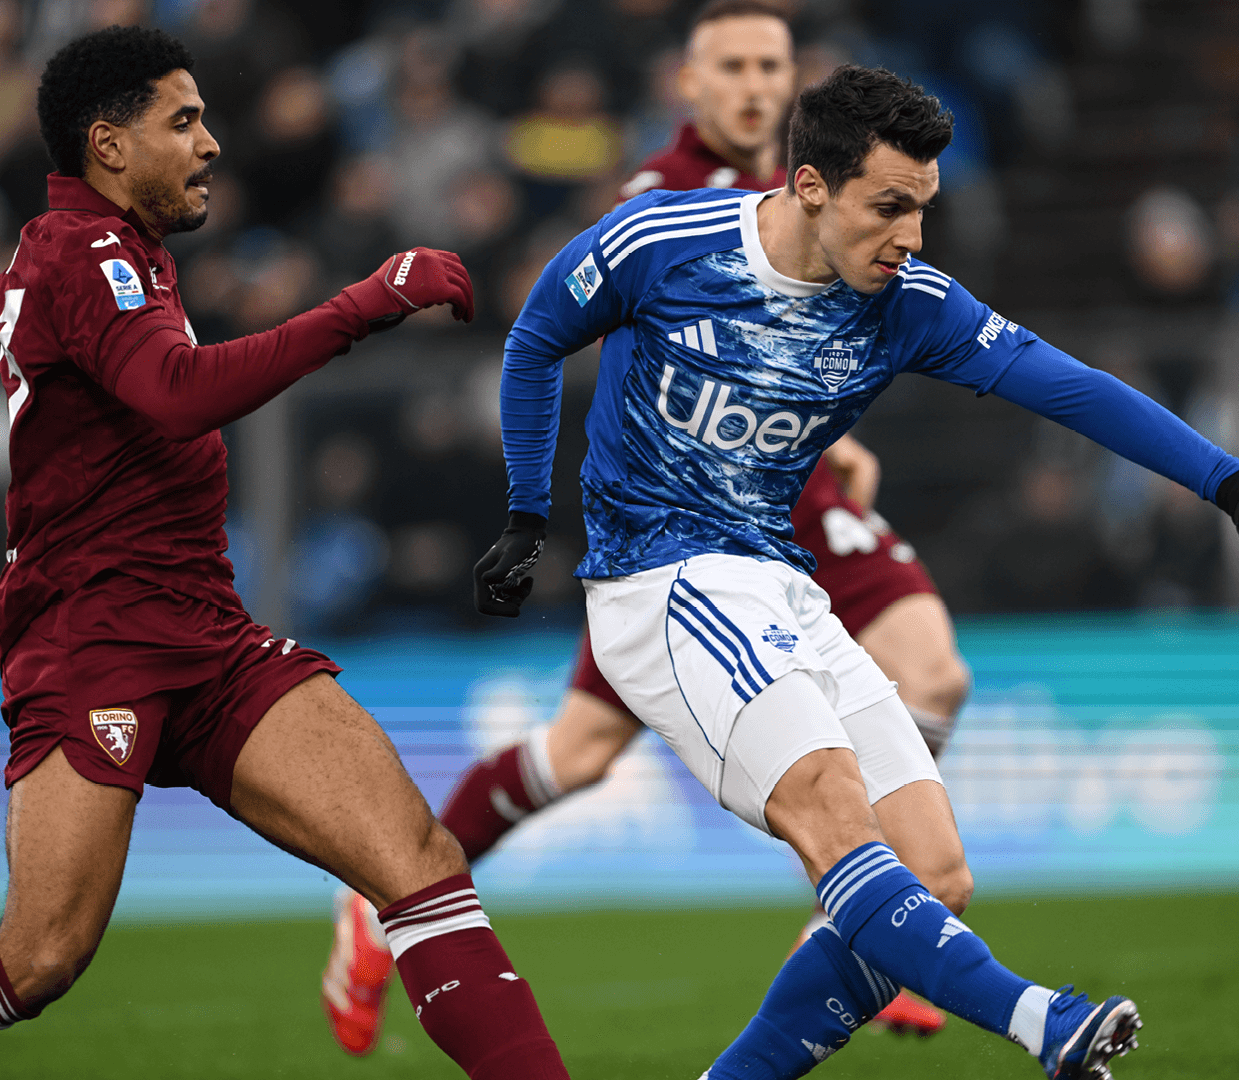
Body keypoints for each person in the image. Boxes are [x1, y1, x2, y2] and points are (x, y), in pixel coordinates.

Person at [472, 65, 1239, 1080]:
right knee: (829, 803)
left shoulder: (910, 304)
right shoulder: (662, 243)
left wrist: (1227, 481)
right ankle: (1044, 1021)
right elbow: (535, 341)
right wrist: (526, 514)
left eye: (922, 208)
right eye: (888, 207)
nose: (910, 236)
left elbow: (1069, 386)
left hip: (782, 584)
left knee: (936, 872)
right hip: (663, 583)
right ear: (811, 186)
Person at [0, 26, 569, 1080]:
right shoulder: (89, 255)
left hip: (206, 633)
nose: (211, 142)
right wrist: (364, 303)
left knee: (419, 860)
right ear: (109, 145)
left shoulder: (72, 255)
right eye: (183, 120)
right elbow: (175, 395)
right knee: (40, 958)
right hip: (92, 640)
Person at [321, 0, 958, 1052]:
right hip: (685, 529)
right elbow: (621, 349)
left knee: (933, 671)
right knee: (578, 755)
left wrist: (830, 439)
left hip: (789, 503)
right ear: (688, 86)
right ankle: (389, 895)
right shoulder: (665, 198)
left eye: (771, 65)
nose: (754, 85)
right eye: (731, 67)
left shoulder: (829, 190)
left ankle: (874, 912)